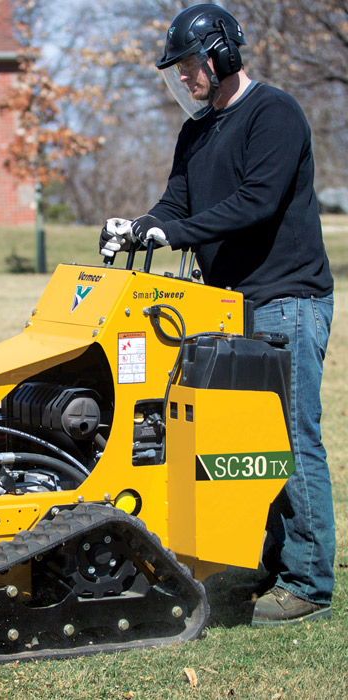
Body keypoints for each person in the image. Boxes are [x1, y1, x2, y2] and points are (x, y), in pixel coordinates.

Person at [100, 3, 335, 626]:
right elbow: (174, 201)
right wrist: (137, 228)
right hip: (230, 307)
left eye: (189, 65)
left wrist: (172, 236)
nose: (183, 77)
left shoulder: (274, 114)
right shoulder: (197, 131)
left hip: (287, 299)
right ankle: (260, 562)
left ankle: (309, 581)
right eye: (176, 69)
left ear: (223, 54)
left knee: (290, 436)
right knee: (241, 441)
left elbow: (255, 203)